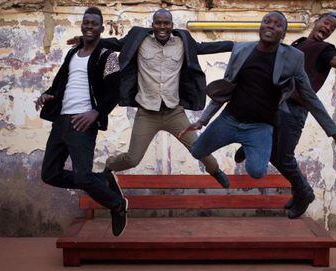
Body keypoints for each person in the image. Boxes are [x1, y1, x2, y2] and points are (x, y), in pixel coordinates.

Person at [180, 11, 336, 219]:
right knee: (198, 151)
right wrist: (203, 120)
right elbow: (225, 88)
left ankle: (301, 190)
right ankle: (251, 145)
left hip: (276, 117)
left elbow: (318, 92)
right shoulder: (254, 49)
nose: (271, 26)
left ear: (283, 33)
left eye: (278, 25)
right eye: (267, 22)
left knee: (275, 162)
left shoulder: (312, 53)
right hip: (241, 116)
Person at [233, 11, 336, 218]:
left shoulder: (325, 50)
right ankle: (255, 145)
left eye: (332, 28)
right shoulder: (299, 43)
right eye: (326, 23)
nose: (328, 28)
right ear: (316, 22)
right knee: (266, 140)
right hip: (275, 104)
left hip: (294, 110)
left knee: (282, 158)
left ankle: (304, 193)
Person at [74, 9, 235, 188]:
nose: (162, 27)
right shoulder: (139, 40)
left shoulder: (183, 42)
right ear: (153, 25)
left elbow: (207, 47)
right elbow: (117, 44)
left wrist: (236, 46)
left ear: (172, 26)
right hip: (147, 113)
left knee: (198, 148)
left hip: (174, 113)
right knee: (132, 159)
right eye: (158, 23)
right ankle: (109, 166)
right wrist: (85, 41)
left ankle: (215, 171)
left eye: (166, 23)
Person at [35, 7, 128, 237]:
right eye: (86, 22)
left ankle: (117, 204)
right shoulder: (72, 53)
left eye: (94, 23)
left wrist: (95, 113)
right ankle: (103, 179)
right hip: (61, 121)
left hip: (82, 122)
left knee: (81, 176)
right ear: (81, 25)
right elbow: (61, 83)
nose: (89, 26)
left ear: (101, 28)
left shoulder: (107, 56)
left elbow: (115, 91)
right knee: (49, 174)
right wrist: (48, 94)